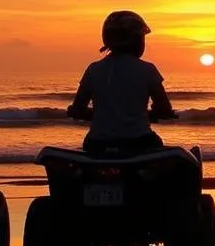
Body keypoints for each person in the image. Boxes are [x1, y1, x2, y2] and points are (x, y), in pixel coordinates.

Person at [69, 10, 175, 155]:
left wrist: (103, 115)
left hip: (97, 144)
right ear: (136, 40)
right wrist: (146, 114)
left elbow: (78, 110)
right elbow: (164, 109)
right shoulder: (147, 70)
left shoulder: (93, 70)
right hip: (138, 142)